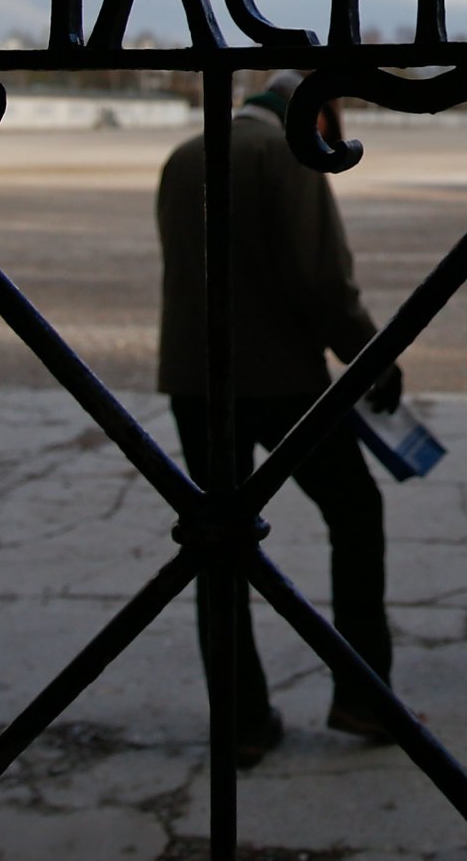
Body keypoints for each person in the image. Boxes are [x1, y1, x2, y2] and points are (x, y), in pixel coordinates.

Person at [157, 71, 401, 767]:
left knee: (217, 546)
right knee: (356, 511)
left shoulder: (187, 153)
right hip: (277, 381)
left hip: (194, 382)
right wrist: (373, 358)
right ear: (319, 113)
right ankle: (363, 693)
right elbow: (321, 280)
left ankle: (239, 720)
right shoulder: (288, 152)